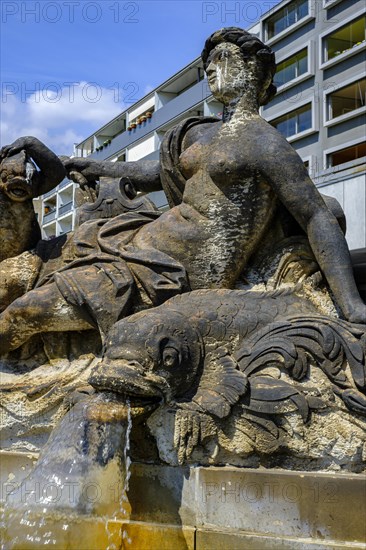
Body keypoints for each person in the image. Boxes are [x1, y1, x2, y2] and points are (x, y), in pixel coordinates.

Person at [0, 27, 365, 355]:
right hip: (134, 243)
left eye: (222, 58)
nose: (210, 68)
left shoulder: (266, 145)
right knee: (24, 279)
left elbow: (317, 214)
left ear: (257, 71)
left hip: (170, 272)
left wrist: (351, 305)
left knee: (22, 313)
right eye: (207, 61)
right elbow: (151, 173)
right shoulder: (201, 134)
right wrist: (94, 166)